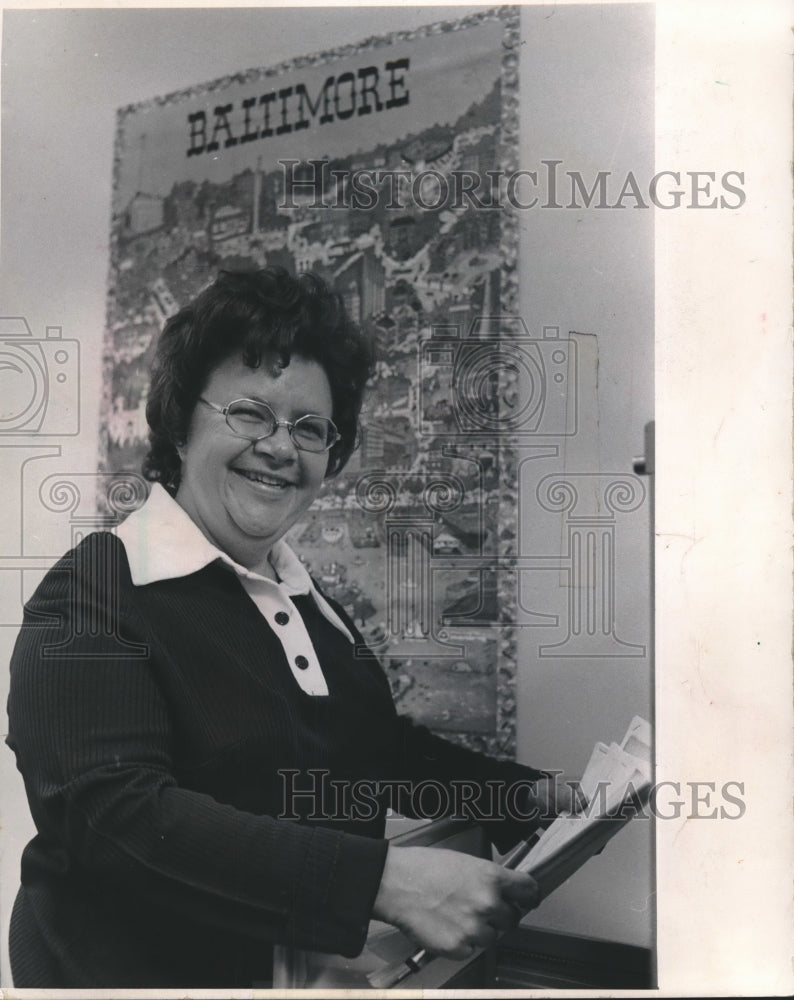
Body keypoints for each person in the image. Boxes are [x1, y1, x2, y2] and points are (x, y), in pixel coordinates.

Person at [6, 267, 575, 988]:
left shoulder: (310, 601)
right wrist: (382, 883)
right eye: (250, 412)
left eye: (310, 428)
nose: (282, 447)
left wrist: (521, 796)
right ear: (181, 422)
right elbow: (110, 818)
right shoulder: (94, 589)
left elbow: (375, 749)